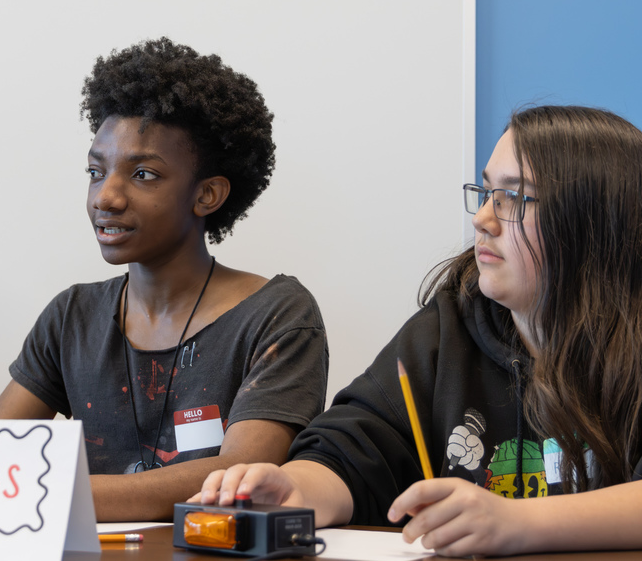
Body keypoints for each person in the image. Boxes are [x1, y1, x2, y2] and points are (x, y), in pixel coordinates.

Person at [196, 105, 642, 556]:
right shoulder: (450, 323)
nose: (482, 219)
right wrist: (297, 489)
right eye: (486, 193)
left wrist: (518, 522)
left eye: (514, 199)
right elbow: (356, 447)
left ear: (593, 222)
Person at [0, 38, 329, 521]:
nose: (106, 197)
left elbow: (239, 471)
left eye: (143, 174)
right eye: (95, 171)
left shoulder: (277, 315)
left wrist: (49, 490)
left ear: (207, 194)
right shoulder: (72, 317)